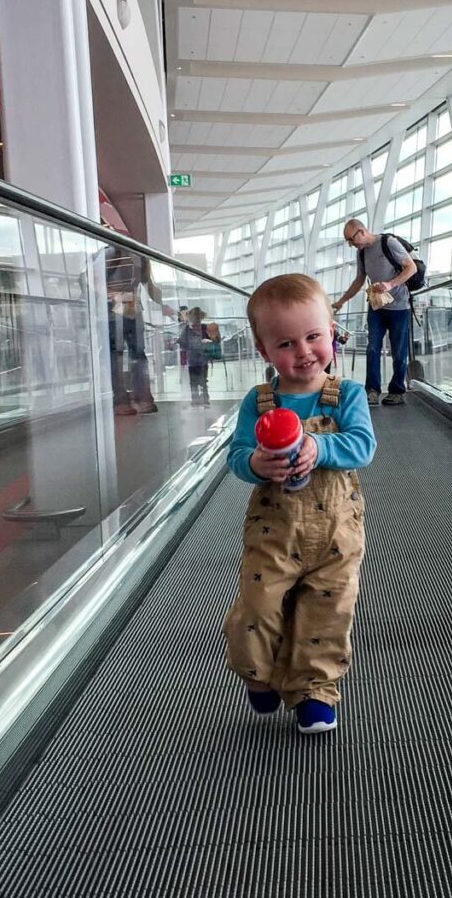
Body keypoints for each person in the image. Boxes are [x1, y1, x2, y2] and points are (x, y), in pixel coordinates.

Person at [223, 274, 376, 734]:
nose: (304, 351)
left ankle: (315, 690)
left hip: (336, 534)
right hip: (274, 531)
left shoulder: (345, 394)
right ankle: (259, 674)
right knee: (257, 606)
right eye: (286, 343)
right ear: (264, 350)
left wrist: (319, 447)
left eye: (314, 336)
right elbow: (236, 455)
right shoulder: (260, 401)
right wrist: (255, 462)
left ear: (332, 331)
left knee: (327, 612)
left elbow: (363, 447)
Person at [332, 219, 417, 407]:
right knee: (372, 348)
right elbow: (359, 280)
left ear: (361, 232)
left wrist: (390, 284)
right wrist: (341, 301)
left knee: (398, 350)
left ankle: (396, 391)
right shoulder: (361, 253)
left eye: (351, 240)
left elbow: (412, 267)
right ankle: (372, 390)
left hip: (399, 306)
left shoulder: (389, 243)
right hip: (376, 307)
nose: (351, 245)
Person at [105, 247, 175, 415]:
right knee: (118, 356)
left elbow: (149, 286)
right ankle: (122, 399)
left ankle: (141, 397)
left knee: (137, 355)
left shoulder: (140, 256)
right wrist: (115, 296)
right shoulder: (112, 253)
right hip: (114, 315)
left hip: (132, 313)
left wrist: (165, 304)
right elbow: (91, 281)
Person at [179, 306, 210, 406]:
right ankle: (200, 398)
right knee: (198, 381)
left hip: (199, 360)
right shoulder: (189, 329)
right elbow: (182, 342)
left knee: (199, 381)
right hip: (195, 360)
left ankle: (199, 398)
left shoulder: (202, 328)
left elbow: (182, 342)